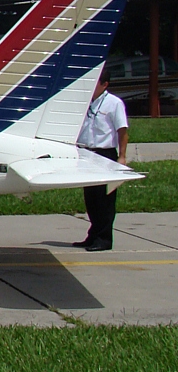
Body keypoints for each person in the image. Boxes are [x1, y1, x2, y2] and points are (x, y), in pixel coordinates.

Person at [74, 69, 129, 251]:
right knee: (91, 198)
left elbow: (122, 131)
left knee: (104, 200)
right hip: (86, 153)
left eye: (94, 83)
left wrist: (122, 156)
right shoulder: (84, 103)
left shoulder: (114, 103)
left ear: (105, 84)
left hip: (104, 154)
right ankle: (93, 234)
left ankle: (104, 239)